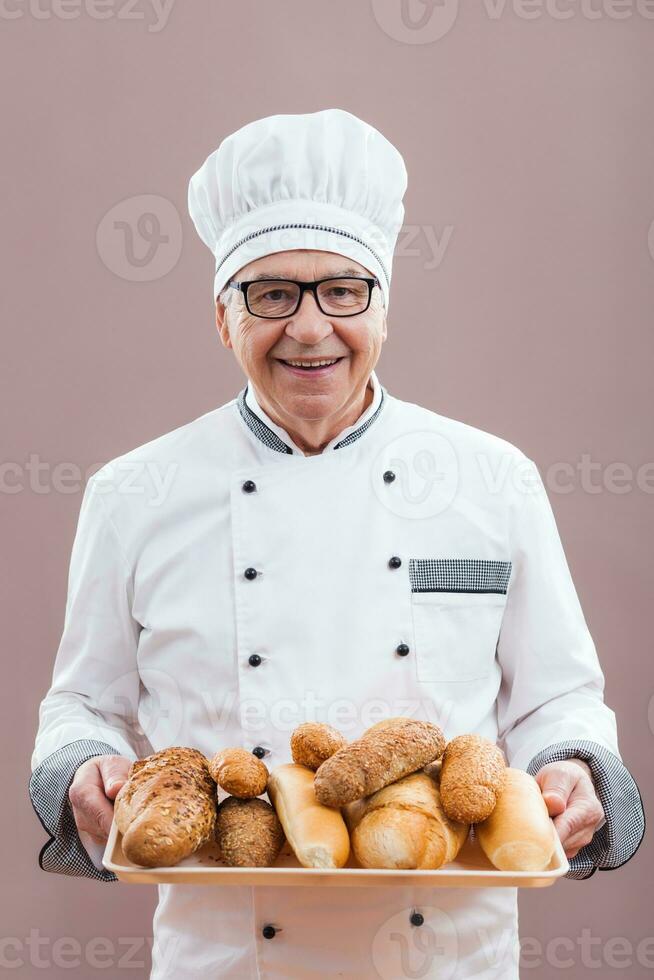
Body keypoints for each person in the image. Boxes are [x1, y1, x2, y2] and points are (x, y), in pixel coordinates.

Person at [30, 108, 645, 979]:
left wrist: (575, 765)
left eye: (341, 290)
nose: (310, 328)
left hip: (451, 952)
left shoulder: (492, 477)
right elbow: (81, 704)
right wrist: (83, 768)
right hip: (230, 953)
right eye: (272, 293)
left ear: (383, 306)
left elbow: (559, 698)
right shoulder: (133, 493)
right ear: (222, 317)